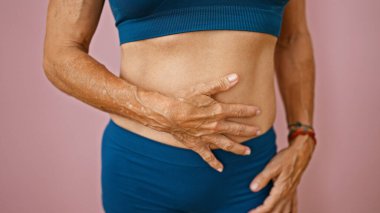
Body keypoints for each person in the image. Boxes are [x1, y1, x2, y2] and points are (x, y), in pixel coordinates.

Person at [43, 0, 316, 212]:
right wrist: (160, 112)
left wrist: (303, 135)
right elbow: (59, 55)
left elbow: (293, 38)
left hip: (251, 173)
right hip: (144, 171)